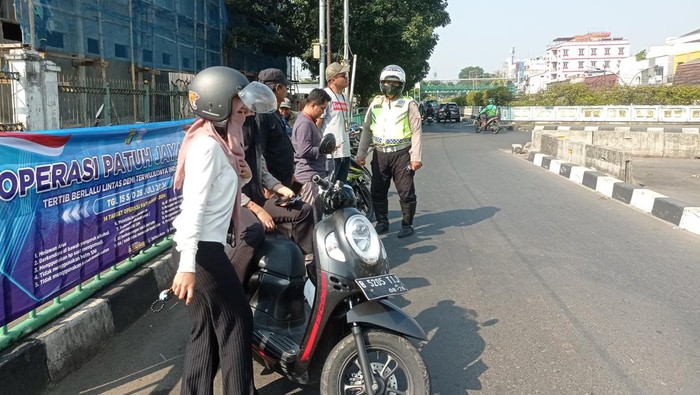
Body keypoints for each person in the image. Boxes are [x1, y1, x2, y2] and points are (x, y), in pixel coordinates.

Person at [170, 66, 277, 395]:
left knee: (204, 332)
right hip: (203, 252)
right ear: (217, 103)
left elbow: (221, 194)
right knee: (237, 321)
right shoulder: (208, 149)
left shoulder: (219, 144)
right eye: (238, 100)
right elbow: (194, 208)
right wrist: (187, 266)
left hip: (204, 249)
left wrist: (243, 176)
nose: (244, 108)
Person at [231, 114, 316, 282]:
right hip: (239, 206)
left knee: (304, 210)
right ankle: (236, 282)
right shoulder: (228, 150)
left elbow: (264, 175)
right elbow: (229, 189)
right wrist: (257, 210)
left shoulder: (256, 148)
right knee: (254, 229)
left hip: (258, 200)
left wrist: (281, 188)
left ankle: (303, 266)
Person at [356, 64, 423, 238]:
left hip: (402, 154)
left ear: (401, 84)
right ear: (381, 83)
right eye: (387, 82)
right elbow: (367, 129)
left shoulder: (409, 104)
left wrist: (416, 157)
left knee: (406, 192)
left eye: (394, 82)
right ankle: (382, 222)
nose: (390, 85)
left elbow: (416, 131)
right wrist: (361, 153)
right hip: (379, 154)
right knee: (377, 190)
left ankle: (407, 225)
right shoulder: (375, 103)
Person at [253, 68, 296, 188]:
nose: (286, 91)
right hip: (272, 185)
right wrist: (267, 184)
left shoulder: (272, 111)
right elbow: (259, 151)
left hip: (283, 180)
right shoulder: (261, 113)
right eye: (285, 87)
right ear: (278, 88)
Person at [292, 88, 332, 210]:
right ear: (313, 105)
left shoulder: (309, 121)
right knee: (311, 216)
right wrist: (322, 149)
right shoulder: (305, 123)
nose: (323, 113)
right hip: (309, 178)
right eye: (322, 108)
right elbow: (304, 151)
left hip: (313, 176)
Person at [320, 62, 352, 183]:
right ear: (333, 79)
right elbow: (317, 123)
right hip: (330, 156)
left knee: (339, 191)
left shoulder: (344, 97)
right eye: (343, 75)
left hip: (345, 152)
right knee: (327, 190)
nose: (346, 78)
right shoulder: (325, 96)